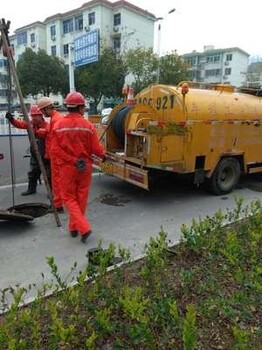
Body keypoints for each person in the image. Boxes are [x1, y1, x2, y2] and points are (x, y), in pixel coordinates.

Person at [52, 91, 106, 243]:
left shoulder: (58, 126)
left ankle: (80, 228)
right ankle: (74, 228)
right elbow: (96, 149)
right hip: (85, 167)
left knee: (68, 198)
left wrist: (72, 160)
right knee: (80, 198)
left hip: (67, 167)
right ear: (80, 108)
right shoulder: (88, 126)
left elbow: (55, 150)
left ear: (68, 107)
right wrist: (103, 155)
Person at [5, 105, 51, 196]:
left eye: (35, 116)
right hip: (35, 153)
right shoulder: (30, 124)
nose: (33, 118)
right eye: (32, 116)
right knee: (32, 173)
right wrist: (11, 120)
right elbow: (20, 124)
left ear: (41, 116)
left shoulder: (47, 126)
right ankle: (31, 189)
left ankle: (51, 192)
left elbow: (43, 133)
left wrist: (34, 131)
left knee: (49, 175)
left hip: (46, 155)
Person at [37, 97, 64, 213]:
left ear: (47, 108)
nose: (42, 114)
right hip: (56, 155)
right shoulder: (55, 118)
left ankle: (58, 206)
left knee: (57, 182)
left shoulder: (56, 119)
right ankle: (58, 204)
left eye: (42, 111)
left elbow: (58, 139)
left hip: (57, 156)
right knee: (57, 181)